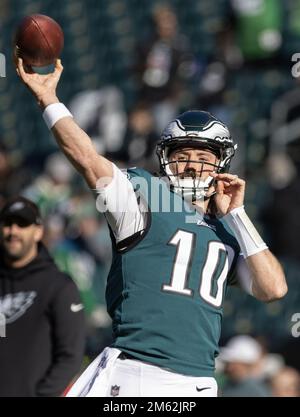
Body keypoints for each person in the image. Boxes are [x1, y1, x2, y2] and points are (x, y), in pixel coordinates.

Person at [15, 57, 287, 397]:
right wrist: (48, 100)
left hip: (197, 383)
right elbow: (87, 158)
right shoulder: (144, 196)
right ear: (165, 159)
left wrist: (238, 214)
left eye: (204, 158)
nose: (192, 165)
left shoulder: (228, 232)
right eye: (182, 154)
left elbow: (273, 288)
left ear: (221, 165)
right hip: (137, 373)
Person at [0, 196, 85, 397]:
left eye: (22, 224)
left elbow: (70, 356)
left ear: (38, 231)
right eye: (8, 224)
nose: (13, 231)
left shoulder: (58, 286)